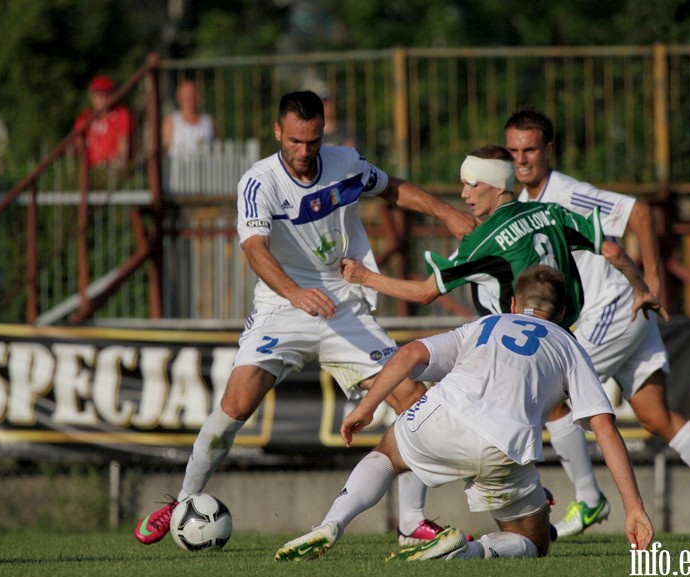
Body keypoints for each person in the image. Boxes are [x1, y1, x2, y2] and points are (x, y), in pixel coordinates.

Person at [134, 90, 477, 546]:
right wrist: (295, 293)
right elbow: (254, 250)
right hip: (283, 308)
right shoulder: (259, 182)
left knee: (413, 400)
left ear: (322, 134)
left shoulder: (346, 163)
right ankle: (182, 502)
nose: (303, 151)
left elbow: (392, 188)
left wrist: (447, 212)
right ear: (278, 132)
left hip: (345, 305)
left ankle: (411, 523)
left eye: (312, 141)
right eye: (294, 141)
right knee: (235, 406)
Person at [275, 265, 655, 561]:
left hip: (442, 417)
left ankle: (331, 523)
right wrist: (634, 509)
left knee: (387, 454)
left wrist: (366, 406)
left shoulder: (486, 323)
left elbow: (408, 354)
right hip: (503, 445)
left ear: (512, 304)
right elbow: (604, 428)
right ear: (564, 312)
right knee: (532, 543)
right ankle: (468, 550)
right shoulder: (569, 346)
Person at [504, 107, 690, 539]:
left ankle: (588, 499)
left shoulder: (568, 192)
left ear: (549, 150)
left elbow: (638, 211)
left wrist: (654, 279)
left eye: (530, 149)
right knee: (655, 416)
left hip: (615, 306)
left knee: (554, 392)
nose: (522, 160)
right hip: (621, 315)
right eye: (514, 152)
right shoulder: (527, 202)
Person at [340, 144, 667, 329]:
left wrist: (365, 277)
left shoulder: (483, 241)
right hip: (565, 331)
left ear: (498, 186)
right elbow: (611, 249)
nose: (464, 193)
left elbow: (425, 293)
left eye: (473, 184)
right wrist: (641, 288)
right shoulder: (551, 211)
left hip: (515, 342)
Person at [72, 75, 132, 170]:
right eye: (98, 95)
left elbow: (123, 141)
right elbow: (77, 145)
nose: (102, 99)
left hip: (113, 169)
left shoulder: (121, 114)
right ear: (91, 96)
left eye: (106, 94)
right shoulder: (84, 118)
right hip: (90, 171)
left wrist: (121, 163)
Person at [162, 79, 216, 157]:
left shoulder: (209, 121)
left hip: (205, 167)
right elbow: (165, 151)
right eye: (186, 94)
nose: (190, 97)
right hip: (179, 167)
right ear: (179, 97)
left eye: (193, 93)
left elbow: (218, 148)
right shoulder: (171, 122)